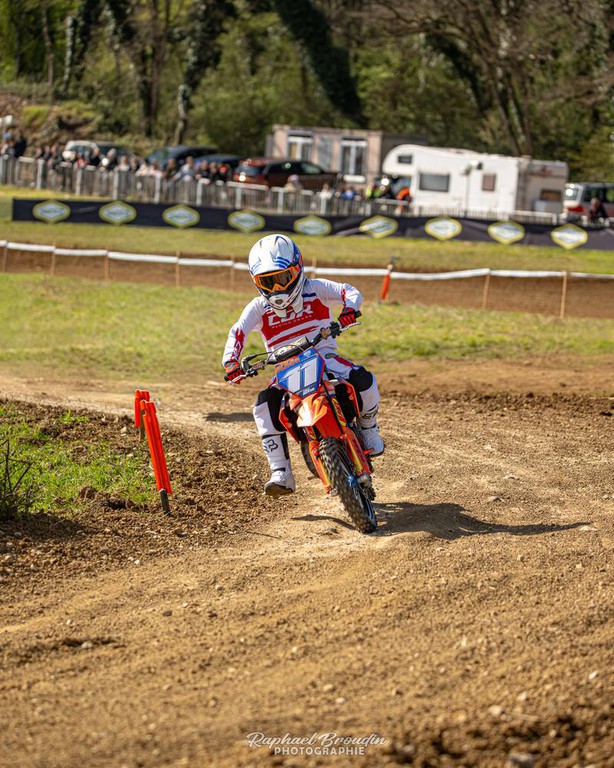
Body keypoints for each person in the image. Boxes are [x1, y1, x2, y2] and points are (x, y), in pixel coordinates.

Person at [222, 234, 384, 496]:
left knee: (363, 379)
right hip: (284, 367)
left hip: (323, 355)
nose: (277, 289)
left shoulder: (315, 288)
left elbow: (348, 291)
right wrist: (231, 362)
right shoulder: (258, 307)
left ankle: (369, 429)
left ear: (297, 270)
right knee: (263, 405)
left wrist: (349, 310)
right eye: (268, 282)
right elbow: (237, 332)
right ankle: (281, 471)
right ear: (256, 282)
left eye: (283, 278)